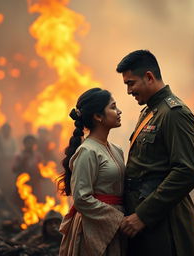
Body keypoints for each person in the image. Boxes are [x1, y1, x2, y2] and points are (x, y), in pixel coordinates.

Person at [116, 50, 194, 256]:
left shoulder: (175, 113)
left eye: (131, 83)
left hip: (164, 224)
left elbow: (187, 171)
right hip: (146, 224)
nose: (128, 91)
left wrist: (143, 216)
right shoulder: (150, 111)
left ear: (149, 77)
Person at [57, 88, 126, 256]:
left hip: (117, 224)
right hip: (93, 227)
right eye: (113, 107)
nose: (119, 111)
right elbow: (81, 198)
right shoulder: (87, 151)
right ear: (98, 116)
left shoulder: (117, 149)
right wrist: (118, 219)